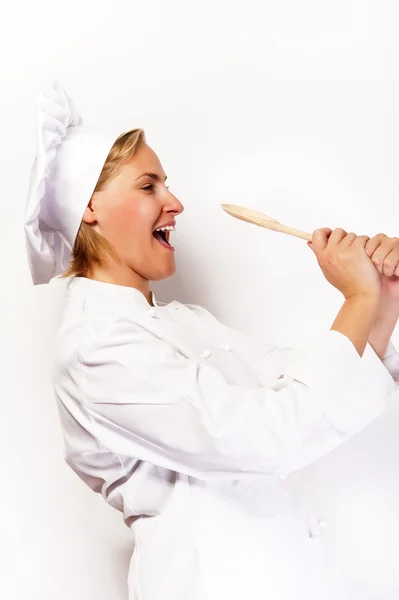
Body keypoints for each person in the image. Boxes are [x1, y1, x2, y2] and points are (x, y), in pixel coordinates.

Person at [24, 80, 399, 600]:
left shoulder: (186, 321)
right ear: (90, 207)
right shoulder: (95, 348)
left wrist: (382, 298)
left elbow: (303, 385)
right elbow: (267, 436)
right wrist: (357, 300)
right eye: (148, 185)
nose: (175, 202)